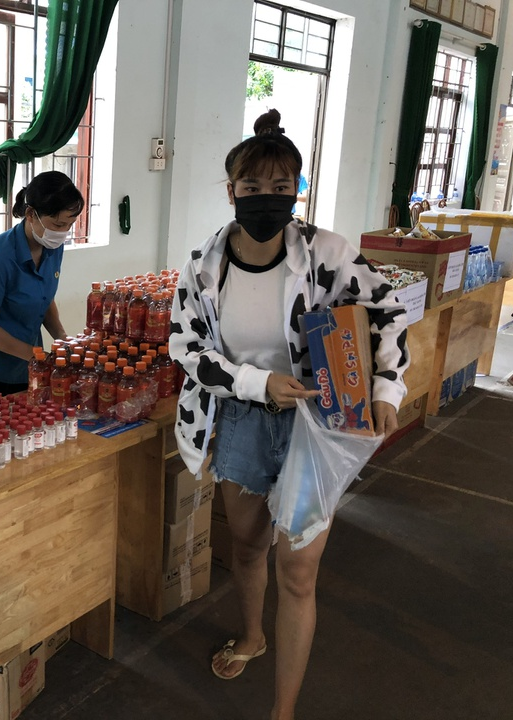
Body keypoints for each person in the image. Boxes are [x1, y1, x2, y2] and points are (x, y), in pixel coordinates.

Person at [169, 109, 409, 720]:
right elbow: (186, 349)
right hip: (245, 424)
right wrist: (255, 384)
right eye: (252, 189)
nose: (266, 200)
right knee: (247, 550)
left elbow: (386, 310)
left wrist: (386, 389)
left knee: (297, 572)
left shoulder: (326, 254)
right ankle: (252, 635)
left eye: (282, 188)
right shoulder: (205, 268)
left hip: (317, 426)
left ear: (298, 190)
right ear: (231, 192)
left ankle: (283, 712)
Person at [0, 171, 84, 400]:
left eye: (70, 225)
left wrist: (62, 338)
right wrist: (36, 355)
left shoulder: (53, 247)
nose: (63, 233)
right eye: (57, 224)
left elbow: (43, 298)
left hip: (27, 365)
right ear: (30, 214)